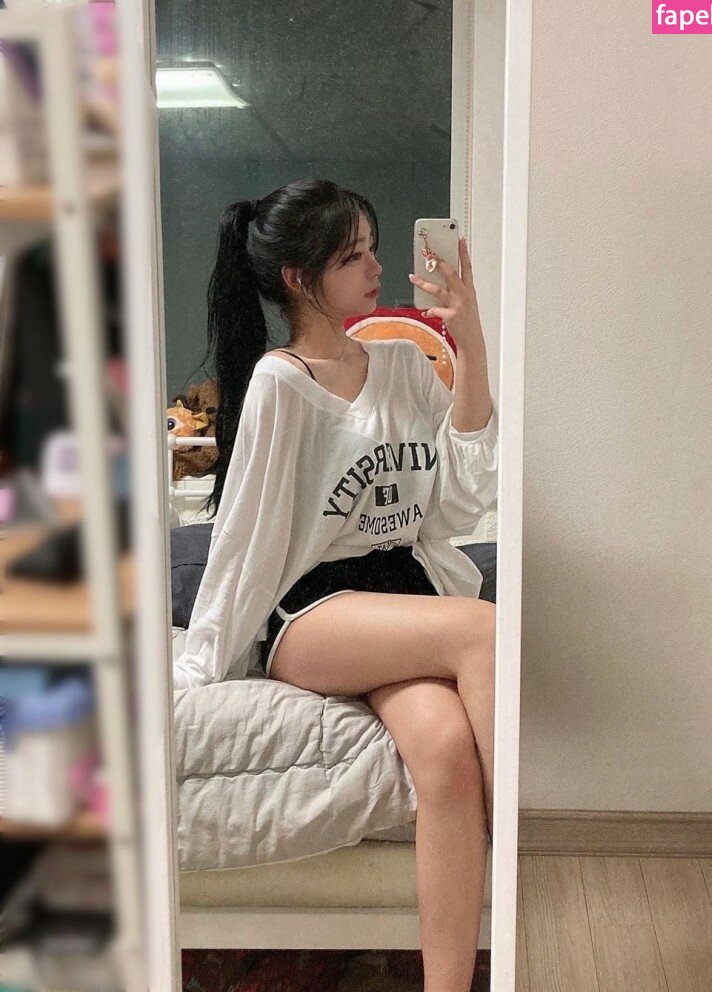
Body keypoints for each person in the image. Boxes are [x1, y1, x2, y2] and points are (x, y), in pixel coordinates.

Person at [173, 178, 499, 992]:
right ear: (298, 277)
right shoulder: (281, 381)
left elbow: (458, 501)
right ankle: (544, 874)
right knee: (488, 629)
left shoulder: (403, 366)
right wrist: (204, 657)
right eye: (353, 256)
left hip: (403, 593)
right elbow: (247, 533)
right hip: (315, 608)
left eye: (373, 249)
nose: (376, 268)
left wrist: (471, 348)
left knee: (445, 752)